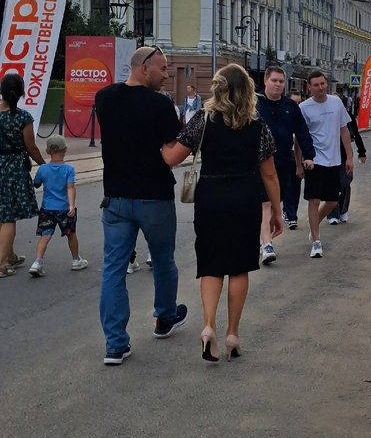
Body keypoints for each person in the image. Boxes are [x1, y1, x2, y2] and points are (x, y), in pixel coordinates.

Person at [163, 64, 281, 362]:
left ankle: (207, 327)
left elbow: (172, 157)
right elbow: (269, 175)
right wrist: (276, 211)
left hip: (211, 195)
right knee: (239, 266)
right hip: (245, 196)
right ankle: (232, 334)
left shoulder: (203, 120)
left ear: (217, 88)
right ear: (249, 91)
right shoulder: (258, 125)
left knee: (212, 265)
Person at [94, 45, 187, 365]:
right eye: (162, 69)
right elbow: (173, 150)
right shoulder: (160, 105)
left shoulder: (104, 98)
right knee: (163, 262)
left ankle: (115, 344)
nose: (166, 76)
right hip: (155, 197)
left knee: (113, 270)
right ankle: (164, 318)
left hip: (116, 199)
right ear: (143, 68)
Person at [256, 64, 315, 259]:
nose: (278, 85)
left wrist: (308, 155)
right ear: (265, 81)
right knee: (265, 203)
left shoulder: (290, 107)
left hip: (282, 161)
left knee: (274, 203)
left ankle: (263, 237)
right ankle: (267, 245)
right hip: (259, 162)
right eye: (274, 80)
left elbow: (302, 132)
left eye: (281, 81)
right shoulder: (254, 104)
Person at [300, 70, 354, 257]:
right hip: (314, 160)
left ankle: (314, 222)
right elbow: (299, 138)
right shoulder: (304, 108)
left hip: (334, 159)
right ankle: (316, 241)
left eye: (323, 84)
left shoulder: (336, 102)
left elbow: (344, 130)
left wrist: (349, 156)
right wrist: (300, 164)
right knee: (314, 199)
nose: (321, 88)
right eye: (316, 85)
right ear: (309, 87)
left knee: (332, 201)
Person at [0, 72, 45, 276]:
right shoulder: (23, 116)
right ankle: (1, 264)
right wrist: (43, 165)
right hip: (13, 168)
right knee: (9, 216)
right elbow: (31, 147)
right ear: (20, 93)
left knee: (2, 214)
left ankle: (10, 257)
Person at [29, 134, 88, 276]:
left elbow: (36, 184)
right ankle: (76, 260)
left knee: (45, 234)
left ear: (47, 151)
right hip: (64, 208)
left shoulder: (43, 169)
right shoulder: (69, 169)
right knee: (71, 234)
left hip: (47, 208)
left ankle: (37, 262)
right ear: (66, 149)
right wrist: (71, 206)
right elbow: (70, 188)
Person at [328, 111, 367, 224]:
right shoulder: (326, 114)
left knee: (345, 183)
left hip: (344, 156)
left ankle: (343, 210)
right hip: (329, 156)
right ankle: (332, 214)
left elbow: (355, 132)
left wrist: (362, 152)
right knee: (332, 185)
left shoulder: (347, 115)